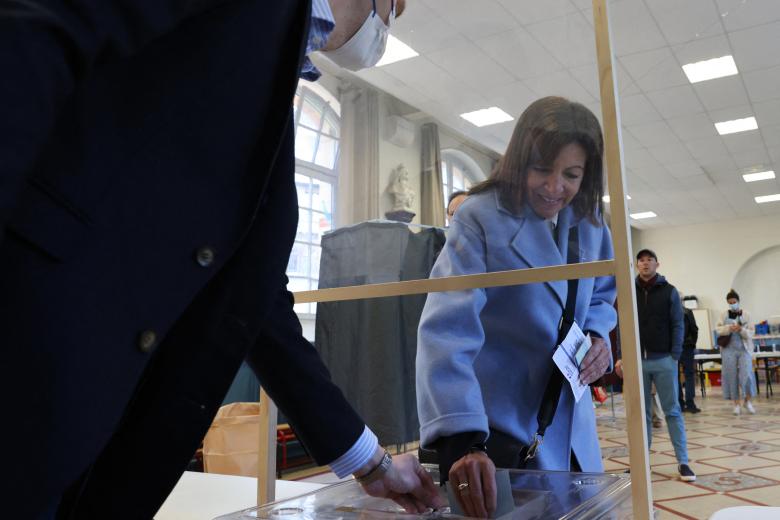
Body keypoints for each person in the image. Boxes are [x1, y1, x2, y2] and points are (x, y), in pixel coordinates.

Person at [0, 1, 444, 518]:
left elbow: (254, 299)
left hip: (82, 430)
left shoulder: (268, 73)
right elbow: (38, 32)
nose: (382, 30)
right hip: (30, 362)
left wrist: (370, 461)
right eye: (390, 12)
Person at [416, 96, 617, 518]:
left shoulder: (591, 222)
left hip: (574, 429)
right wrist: (463, 440)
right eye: (541, 168)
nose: (554, 187)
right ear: (518, 159)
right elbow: (447, 333)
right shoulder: (480, 217)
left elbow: (601, 293)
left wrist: (598, 335)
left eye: (572, 174)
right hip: (500, 435)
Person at [634, 249, 696, 482]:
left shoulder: (669, 291)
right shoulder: (630, 291)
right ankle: (642, 464)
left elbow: (678, 324)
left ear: (657, 264)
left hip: (664, 360)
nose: (645, 263)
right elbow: (623, 325)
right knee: (642, 415)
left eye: (649, 260)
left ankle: (683, 462)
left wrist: (675, 355)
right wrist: (622, 355)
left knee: (672, 411)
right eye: (641, 260)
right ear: (636, 264)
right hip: (638, 361)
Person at [716, 289, 757, 415]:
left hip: (744, 348)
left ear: (738, 301)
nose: (732, 304)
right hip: (728, 349)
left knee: (747, 374)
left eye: (734, 302)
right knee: (730, 375)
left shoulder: (747, 315)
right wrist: (729, 328)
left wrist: (740, 329)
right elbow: (718, 329)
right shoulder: (723, 315)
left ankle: (748, 401)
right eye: (730, 302)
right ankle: (736, 404)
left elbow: (751, 333)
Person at [678, 294, 701, 413]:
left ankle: (683, 404)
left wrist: (691, 343)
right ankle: (689, 403)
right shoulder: (686, 312)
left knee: (678, 376)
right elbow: (694, 329)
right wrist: (692, 343)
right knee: (688, 375)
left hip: (678, 347)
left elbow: (694, 329)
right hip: (684, 347)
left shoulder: (669, 312)